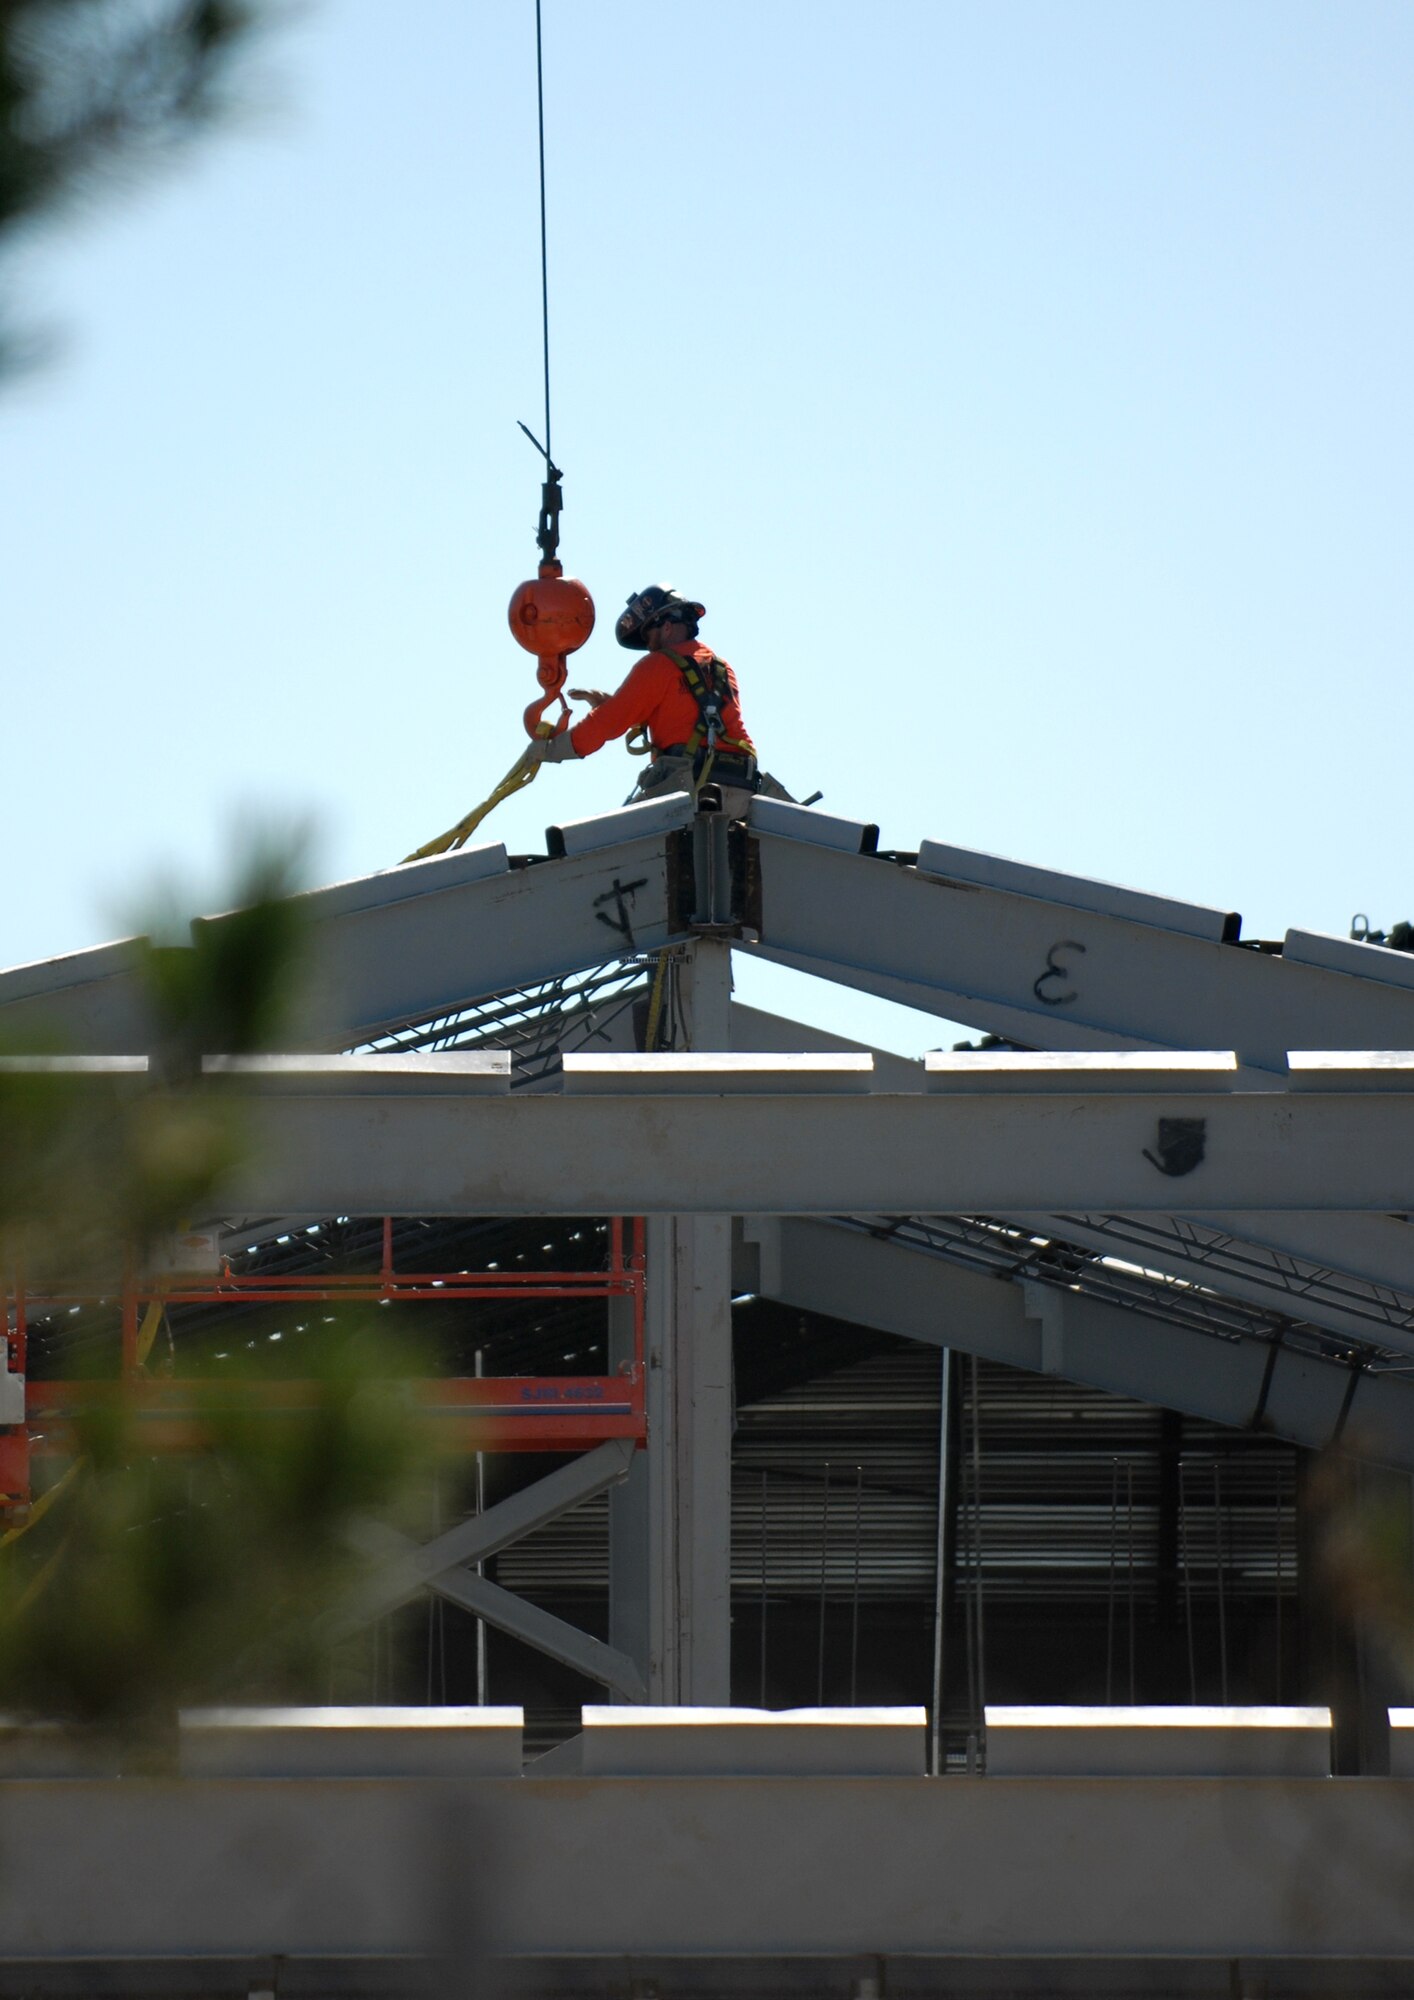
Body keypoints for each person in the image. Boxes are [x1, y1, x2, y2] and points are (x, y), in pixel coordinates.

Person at [531, 584, 783, 817]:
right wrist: (609, 703)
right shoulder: (720, 666)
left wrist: (550, 750)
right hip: (742, 788)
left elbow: (606, 724)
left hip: (691, 786)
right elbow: (686, 713)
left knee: (616, 844)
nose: (649, 646)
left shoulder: (658, 665)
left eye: (648, 635)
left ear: (666, 626)